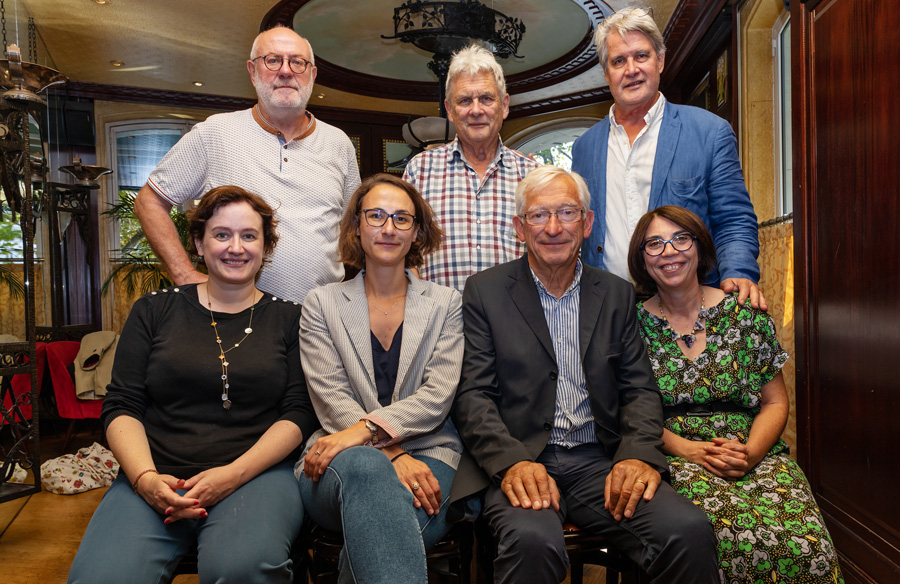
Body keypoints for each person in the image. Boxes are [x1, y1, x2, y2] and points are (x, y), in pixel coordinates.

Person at [449, 165, 718, 583]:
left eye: (567, 213)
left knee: (687, 531)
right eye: (539, 215)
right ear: (520, 228)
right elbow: (473, 396)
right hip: (525, 458)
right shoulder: (484, 291)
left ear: (587, 222)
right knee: (531, 543)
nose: (553, 227)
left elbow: (640, 391)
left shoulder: (615, 293)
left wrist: (636, 455)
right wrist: (512, 463)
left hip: (601, 461)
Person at [68, 186, 317, 584]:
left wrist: (232, 475)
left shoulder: (291, 318)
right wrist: (146, 480)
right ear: (198, 243)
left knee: (243, 570)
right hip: (156, 475)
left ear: (266, 246)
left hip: (255, 477)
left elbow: (299, 412)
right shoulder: (154, 309)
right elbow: (122, 405)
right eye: (221, 234)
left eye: (249, 236)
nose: (235, 247)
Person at [628, 205, 843, 583]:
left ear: (700, 248)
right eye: (654, 244)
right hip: (674, 453)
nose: (669, 251)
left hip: (753, 451)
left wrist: (750, 454)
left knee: (808, 545)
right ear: (642, 260)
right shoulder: (628, 324)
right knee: (724, 539)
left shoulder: (745, 312)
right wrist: (691, 450)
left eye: (681, 239)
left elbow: (775, 402)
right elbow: (625, 410)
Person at [296, 173, 464, 583]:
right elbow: (330, 395)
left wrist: (370, 431)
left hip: (430, 453)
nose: (388, 228)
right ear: (356, 226)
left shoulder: (446, 303)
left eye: (402, 219)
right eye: (376, 216)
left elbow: (437, 395)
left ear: (417, 232)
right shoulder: (322, 303)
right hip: (339, 458)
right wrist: (389, 453)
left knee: (377, 538)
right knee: (370, 474)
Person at [134, 26, 360, 303]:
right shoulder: (215, 133)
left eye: (297, 62)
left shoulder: (339, 143)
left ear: (312, 75)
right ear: (253, 72)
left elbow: (357, 228)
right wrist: (183, 274)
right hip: (235, 317)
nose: (286, 71)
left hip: (321, 318)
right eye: (273, 60)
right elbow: (149, 202)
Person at [571, 7, 766, 310]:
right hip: (608, 311)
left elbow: (734, 219)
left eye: (641, 56)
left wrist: (739, 272)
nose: (631, 69)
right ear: (607, 72)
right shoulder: (584, 148)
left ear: (660, 61)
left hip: (689, 309)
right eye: (618, 61)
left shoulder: (710, 133)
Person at [403, 44, 538, 293]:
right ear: (450, 110)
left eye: (486, 98)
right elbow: (402, 250)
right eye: (465, 100)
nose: (476, 110)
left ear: (504, 105)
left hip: (513, 324)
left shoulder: (531, 176)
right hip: (438, 324)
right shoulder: (419, 171)